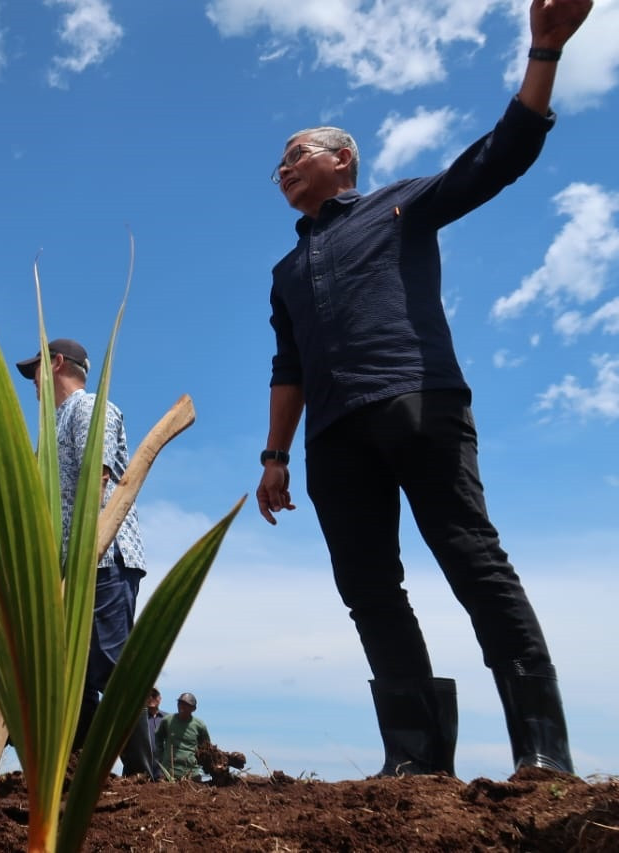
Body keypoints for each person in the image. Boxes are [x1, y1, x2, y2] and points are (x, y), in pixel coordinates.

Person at [256, 0, 592, 778]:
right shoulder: (284, 272)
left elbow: (499, 157)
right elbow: (288, 368)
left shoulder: (399, 205)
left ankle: (541, 748)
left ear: (344, 159)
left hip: (419, 401)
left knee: (472, 557)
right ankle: (413, 757)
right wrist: (275, 454)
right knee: (368, 585)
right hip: (333, 436)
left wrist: (543, 52)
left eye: (294, 153)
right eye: (278, 163)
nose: (282, 168)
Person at [16, 338, 147, 748]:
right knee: (73, 672)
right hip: (74, 563)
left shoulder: (89, 408)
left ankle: (148, 774)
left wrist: (86, 551)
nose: (32, 382)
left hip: (104, 556)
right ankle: (79, 769)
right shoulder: (54, 424)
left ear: (55, 364)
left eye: (35, 370)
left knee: (109, 664)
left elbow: (96, 475)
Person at [154, 692, 210, 781]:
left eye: (186, 705)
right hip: (168, 772)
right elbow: (158, 738)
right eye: (180, 703)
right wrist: (161, 756)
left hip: (191, 774)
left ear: (193, 708)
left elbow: (207, 749)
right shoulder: (168, 720)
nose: (182, 706)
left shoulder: (199, 726)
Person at [121, 687, 166, 779]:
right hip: (137, 776)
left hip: (163, 775)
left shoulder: (168, 719)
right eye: (147, 695)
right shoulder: (134, 719)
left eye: (154, 695)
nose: (151, 698)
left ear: (160, 699)